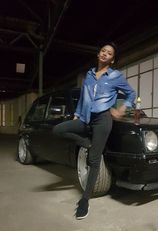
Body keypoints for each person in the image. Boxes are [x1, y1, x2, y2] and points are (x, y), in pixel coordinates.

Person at [53, 42, 136, 219]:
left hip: (103, 120)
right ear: (99, 54)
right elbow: (83, 98)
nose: (105, 54)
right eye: (103, 51)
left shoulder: (115, 76)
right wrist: (76, 114)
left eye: (109, 53)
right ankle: (88, 144)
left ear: (112, 60)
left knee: (93, 160)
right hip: (85, 118)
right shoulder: (88, 76)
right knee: (58, 130)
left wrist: (121, 109)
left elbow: (131, 94)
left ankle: (84, 200)